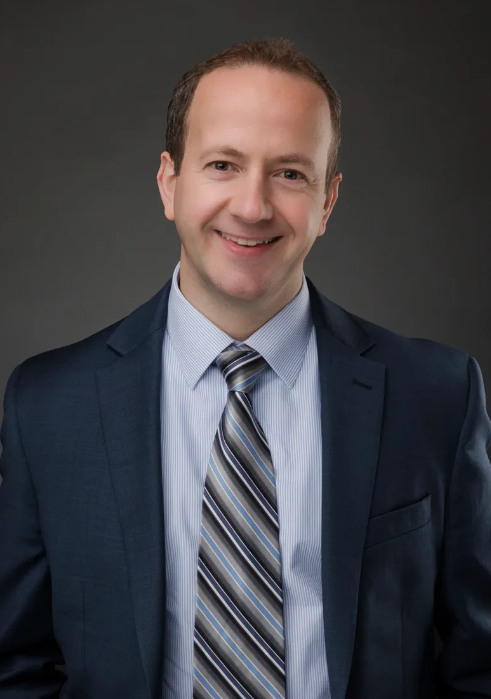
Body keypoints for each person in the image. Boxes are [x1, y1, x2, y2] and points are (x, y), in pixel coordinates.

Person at [0, 36, 490, 699]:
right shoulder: (46, 405)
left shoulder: (435, 394)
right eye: (223, 164)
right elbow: (14, 666)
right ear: (170, 183)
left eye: (289, 172)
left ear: (327, 201)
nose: (253, 206)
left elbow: (478, 659)